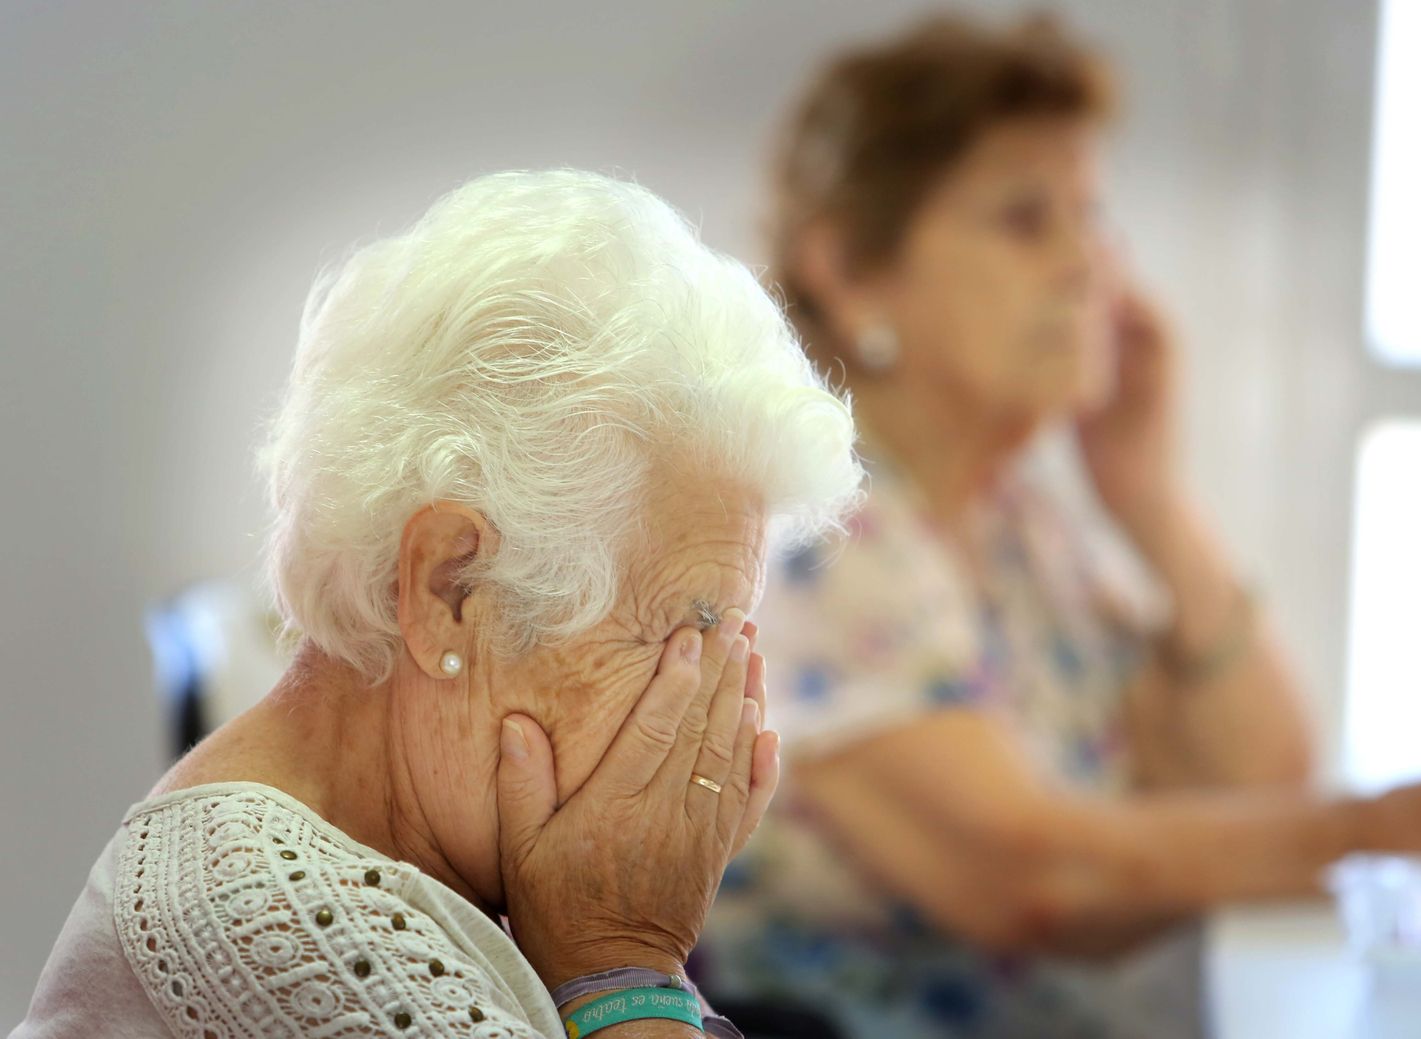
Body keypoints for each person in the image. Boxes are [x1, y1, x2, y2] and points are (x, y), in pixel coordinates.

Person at [695, 16, 1421, 1038]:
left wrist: (1149, 496)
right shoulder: (818, 527)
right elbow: (1035, 876)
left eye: (1092, 217)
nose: (1088, 265)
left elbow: (1251, 775)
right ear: (847, 269)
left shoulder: (1013, 520)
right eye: (1024, 219)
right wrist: (1396, 831)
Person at [12, 170, 863, 1039]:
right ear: (448, 589)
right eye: (687, 632)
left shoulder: (417, 870)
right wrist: (626, 964)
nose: (734, 715)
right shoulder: (291, 931)